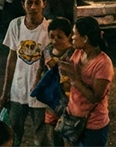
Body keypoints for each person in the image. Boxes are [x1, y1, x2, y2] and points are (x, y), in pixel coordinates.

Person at [1, 0, 51, 147]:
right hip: (18, 91)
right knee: (13, 135)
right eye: (29, 3)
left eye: (37, 2)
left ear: (44, 3)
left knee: (42, 136)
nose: (33, 7)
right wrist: (5, 91)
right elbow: (12, 59)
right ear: (23, 4)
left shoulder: (50, 30)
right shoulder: (15, 25)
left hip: (41, 94)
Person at [59, 17, 113, 147]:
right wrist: (63, 69)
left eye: (75, 34)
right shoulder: (78, 53)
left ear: (85, 38)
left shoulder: (103, 63)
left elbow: (95, 97)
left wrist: (74, 77)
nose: (71, 37)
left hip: (93, 124)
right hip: (72, 118)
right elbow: (69, 81)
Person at [41, 18, 75, 147]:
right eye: (52, 37)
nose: (55, 41)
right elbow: (41, 71)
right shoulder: (47, 51)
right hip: (52, 105)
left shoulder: (75, 55)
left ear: (69, 36)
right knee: (53, 140)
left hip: (70, 108)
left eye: (60, 37)